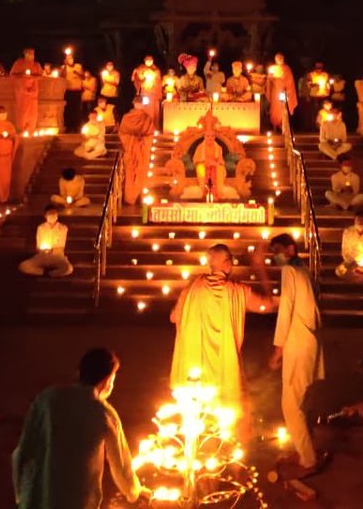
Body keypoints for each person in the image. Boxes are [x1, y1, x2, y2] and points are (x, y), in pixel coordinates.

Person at [11, 347, 142, 509]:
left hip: (36, 500)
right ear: (107, 381)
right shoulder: (103, 413)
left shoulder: (47, 399)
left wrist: (20, 495)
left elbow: (22, 452)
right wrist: (134, 492)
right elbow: (122, 469)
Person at [256, 233, 326, 478]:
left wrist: (278, 350)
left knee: (290, 405)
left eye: (277, 250)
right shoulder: (304, 270)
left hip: (298, 343)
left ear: (290, 249)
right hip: (309, 341)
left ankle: (308, 459)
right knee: (301, 401)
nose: (275, 255)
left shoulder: (289, 271)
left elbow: (285, 311)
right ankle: (303, 449)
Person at [169, 244, 275, 401]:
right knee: (226, 419)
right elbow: (268, 305)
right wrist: (261, 272)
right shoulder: (238, 290)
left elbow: (174, 317)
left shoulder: (191, 288)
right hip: (225, 376)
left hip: (194, 375)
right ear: (227, 263)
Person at [19, 207, 73, 277]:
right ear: (45, 216)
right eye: (49, 215)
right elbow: (38, 246)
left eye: (53, 215)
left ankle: (53, 274)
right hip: (43, 256)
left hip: (57, 257)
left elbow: (61, 246)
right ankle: (41, 272)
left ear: (57, 216)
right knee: (23, 266)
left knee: (68, 268)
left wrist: (52, 250)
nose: (52, 217)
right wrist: (43, 250)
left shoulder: (63, 228)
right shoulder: (41, 228)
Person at [118, 104, 155, 205]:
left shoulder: (127, 117)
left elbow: (122, 133)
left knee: (130, 173)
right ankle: (138, 195)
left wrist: (131, 140)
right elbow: (150, 134)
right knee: (139, 173)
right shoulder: (146, 118)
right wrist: (140, 139)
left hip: (131, 149)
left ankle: (131, 197)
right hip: (140, 150)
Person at [10, 48, 44, 133]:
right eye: (29, 53)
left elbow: (40, 76)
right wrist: (22, 75)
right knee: (23, 111)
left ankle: (31, 129)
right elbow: (12, 74)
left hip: (33, 92)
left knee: (33, 111)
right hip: (22, 92)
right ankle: (22, 129)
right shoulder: (18, 63)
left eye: (32, 54)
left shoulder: (36, 64)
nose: (31, 55)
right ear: (24, 54)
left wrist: (31, 76)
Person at [267, 53, 298, 132]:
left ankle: (283, 125)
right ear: (275, 59)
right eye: (277, 58)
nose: (279, 59)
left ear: (283, 58)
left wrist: (278, 80)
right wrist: (270, 79)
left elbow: (289, 81)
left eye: (281, 58)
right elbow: (269, 81)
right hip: (275, 91)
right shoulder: (272, 68)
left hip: (283, 91)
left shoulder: (287, 68)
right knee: (274, 108)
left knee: (283, 108)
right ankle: (275, 125)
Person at [131, 55, 163, 129]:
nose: (149, 62)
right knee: (145, 108)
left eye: (150, 60)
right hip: (145, 93)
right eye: (147, 60)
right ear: (145, 61)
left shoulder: (156, 70)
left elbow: (158, 79)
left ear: (153, 61)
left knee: (154, 110)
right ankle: (145, 126)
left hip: (153, 93)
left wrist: (150, 74)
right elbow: (138, 78)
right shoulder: (141, 68)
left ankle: (154, 127)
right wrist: (137, 73)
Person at [302, 62, 331, 130]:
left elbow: (328, 83)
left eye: (320, 67)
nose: (319, 68)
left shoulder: (325, 75)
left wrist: (328, 87)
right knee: (314, 111)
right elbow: (308, 84)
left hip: (324, 95)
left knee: (323, 111)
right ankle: (314, 126)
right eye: (317, 67)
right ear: (315, 67)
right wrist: (314, 85)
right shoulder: (311, 74)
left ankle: (324, 126)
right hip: (314, 95)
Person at [62, 50, 84, 132]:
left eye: (71, 58)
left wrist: (77, 73)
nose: (70, 60)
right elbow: (62, 77)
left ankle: (77, 126)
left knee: (77, 109)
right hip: (68, 90)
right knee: (68, 109)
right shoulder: (64, 67)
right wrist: (64, 65)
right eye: (68, 58)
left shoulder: (78, 66)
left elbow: (83, 77)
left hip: (77, 91)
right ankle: (68, 127)